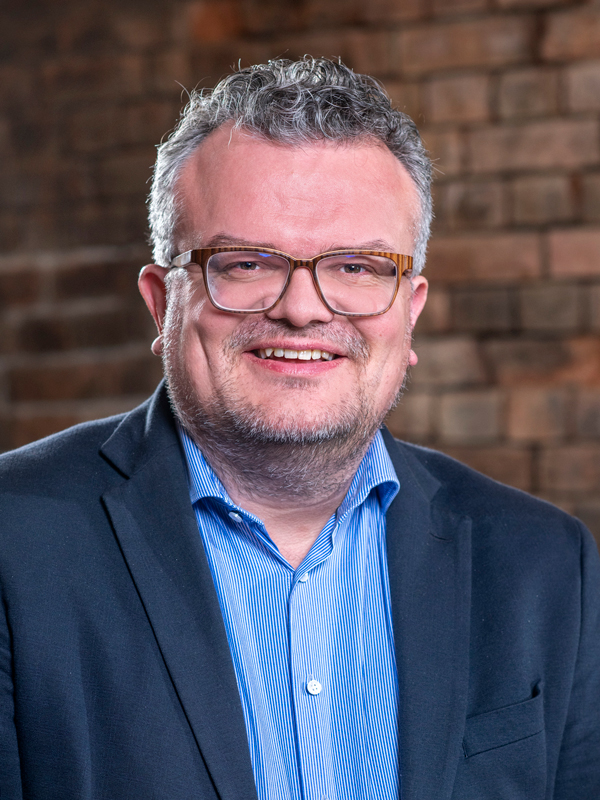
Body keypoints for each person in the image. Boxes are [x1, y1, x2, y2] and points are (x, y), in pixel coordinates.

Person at [0, 57, 599, 800]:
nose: (303, 309)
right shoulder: (14, 540)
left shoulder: (544, 563)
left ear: (410, 311)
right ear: (161, 303)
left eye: (357, 267)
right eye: (246, 262)